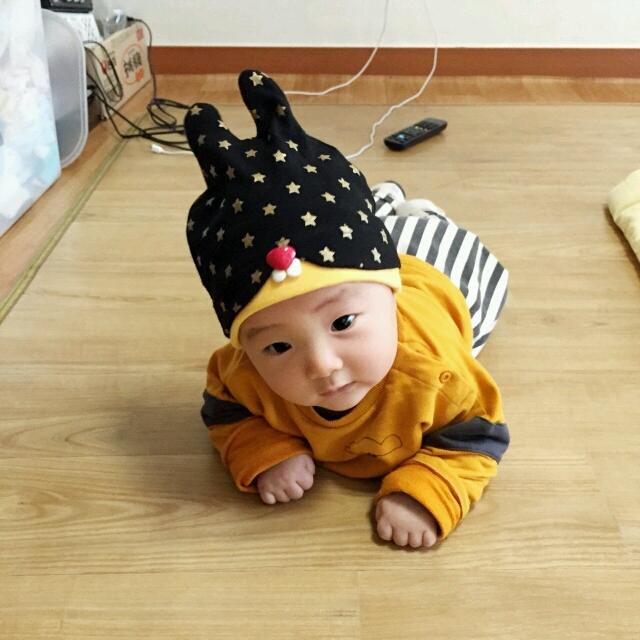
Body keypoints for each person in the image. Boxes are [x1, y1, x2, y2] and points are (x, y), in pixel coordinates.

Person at [184, 69, 510, 549]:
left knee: (430, 229)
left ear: (391, 298)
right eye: (278, 346)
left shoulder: (436, 373)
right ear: (247, 345)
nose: (321, 364)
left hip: (438, 274)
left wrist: (428, 489)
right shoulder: (244, 374)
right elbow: (224, 408)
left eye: (342, 323)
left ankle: (403, 206)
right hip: (358, 260)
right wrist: (265, 449)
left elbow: (478, 436)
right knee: (368, 227)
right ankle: (383, 203)